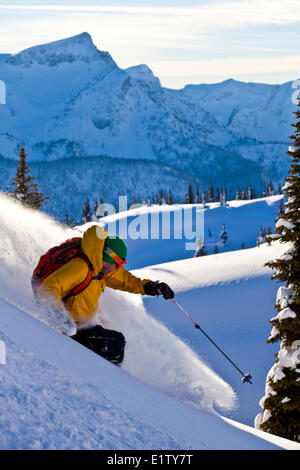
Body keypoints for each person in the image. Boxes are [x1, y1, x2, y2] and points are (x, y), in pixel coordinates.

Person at [33, 225, 174, 364]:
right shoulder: (80, 267)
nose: (118, 267)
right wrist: (61, 318)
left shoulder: (101, 268)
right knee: (115, 343)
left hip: (81, 324)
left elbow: (128, 281)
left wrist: (153, 287)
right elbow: (48, 288)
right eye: (118, 262)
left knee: (110, 331)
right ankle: (95, 374)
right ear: (107, 255)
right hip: (69, 328)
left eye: (122, 263)